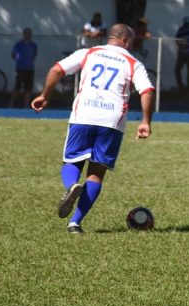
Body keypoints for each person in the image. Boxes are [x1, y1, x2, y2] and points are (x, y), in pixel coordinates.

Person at [32, 24, 155, 234]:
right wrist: (145, 121)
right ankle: (75, 223)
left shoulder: (88, 53)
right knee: (96, 174)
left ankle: (72, 185)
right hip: (112, 121)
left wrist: (45, 96)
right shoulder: (133, 63)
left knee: (72, 161)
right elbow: (148, 91)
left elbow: (56, 70)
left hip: (84, 115)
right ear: (125, 41)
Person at [10, 27, 38, 108]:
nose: (28, 35)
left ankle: (26, 105)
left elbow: (34, 54)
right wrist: (19, 61)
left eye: (29, 33)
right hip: (20, 68)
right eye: (26, 33)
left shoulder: (33, 45)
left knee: (28, 88)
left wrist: (29, 61)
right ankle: (11, 104)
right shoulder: (18, 45)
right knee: (17, 87)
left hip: (30, 68)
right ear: (24, 34)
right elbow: (13, 55)